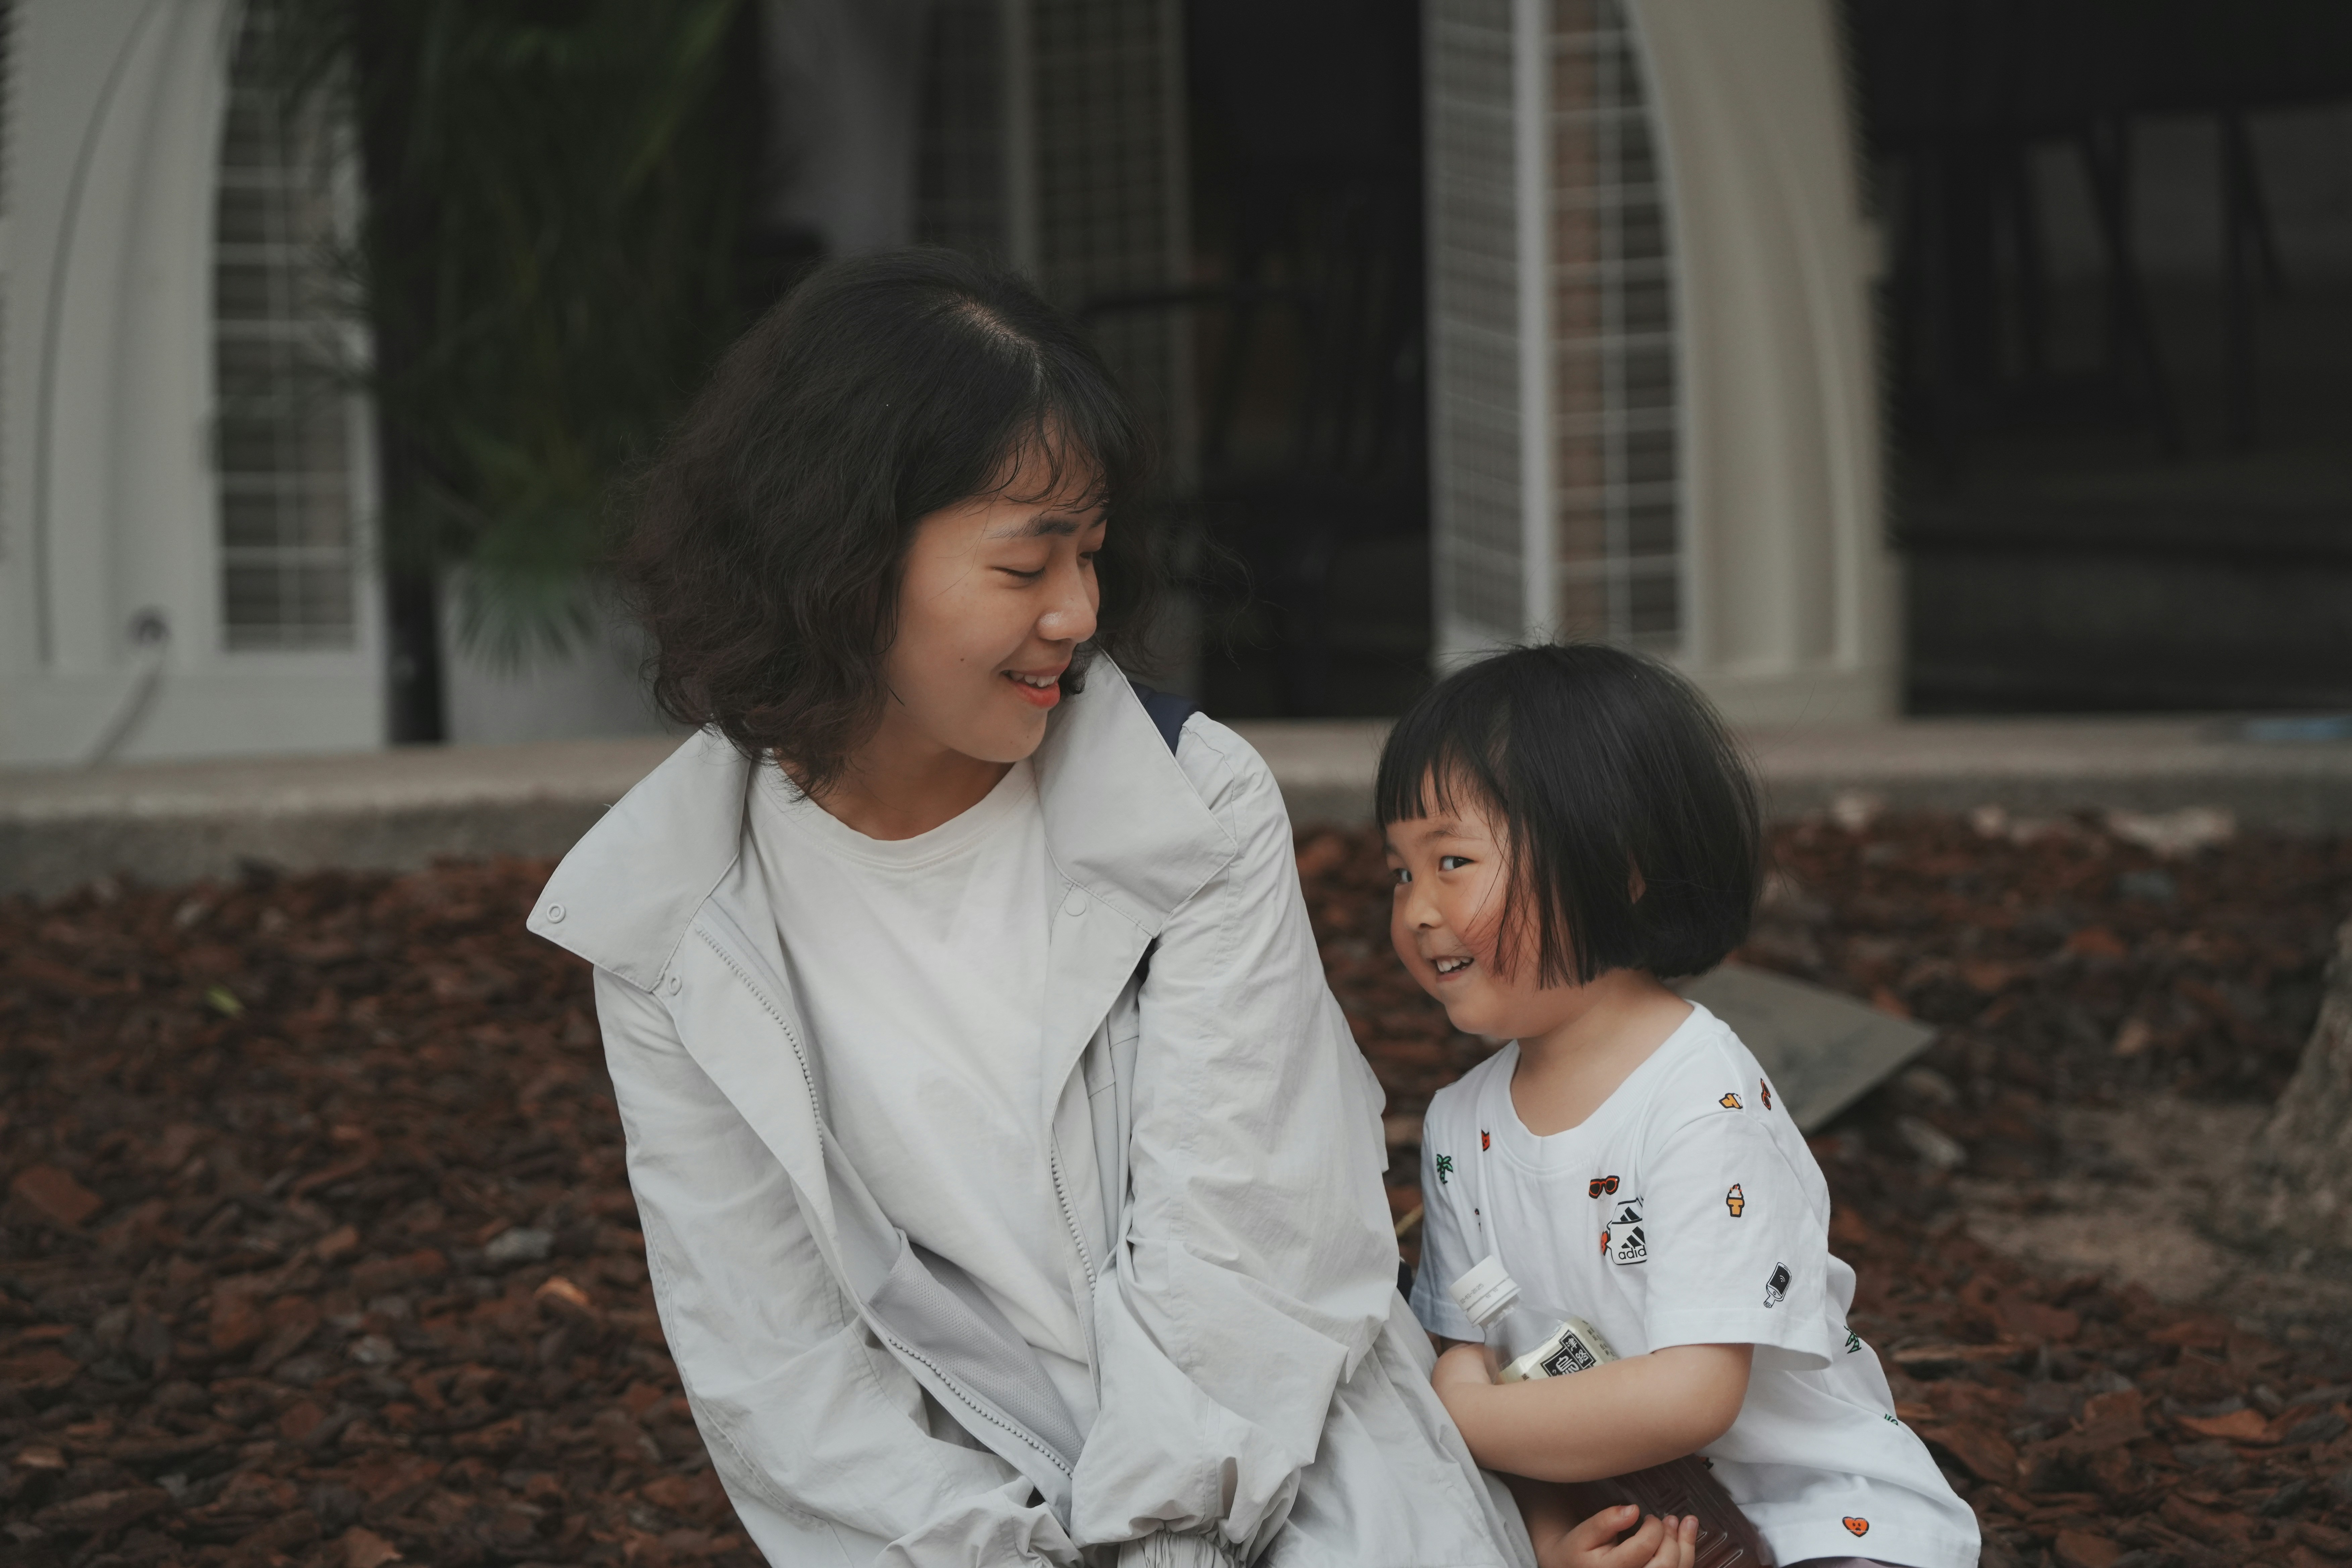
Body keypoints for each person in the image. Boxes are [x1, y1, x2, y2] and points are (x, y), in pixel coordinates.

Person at [526, 250, 1630, 1567]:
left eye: (1092, 554)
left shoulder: (1188, 799)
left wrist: (1163, 1548)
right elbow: (782, 1375)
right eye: (1025, 566)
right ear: (840, 562)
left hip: (1282, 1466)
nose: (1078, 612)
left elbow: (1251, 1245)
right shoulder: (665, 917)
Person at [1382, 645, 1982, 1568]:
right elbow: (1475, 1352)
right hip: (1632, 1521)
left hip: (1822, 1520)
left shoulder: (1700, 1097)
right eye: (1400, 873)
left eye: (1452, 861)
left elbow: (1694, 1393)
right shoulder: (1460, 1127)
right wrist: (1556, 1543)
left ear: (1616, 867)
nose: (1419, 910)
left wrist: (1457, 1416)